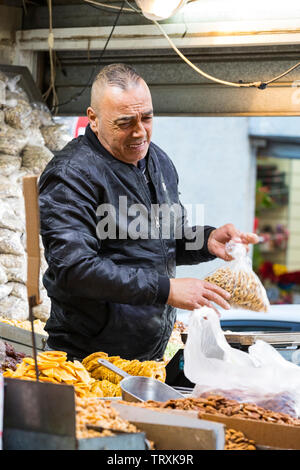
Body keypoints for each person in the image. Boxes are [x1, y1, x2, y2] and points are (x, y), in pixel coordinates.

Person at [39, 63, 258, 361]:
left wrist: (206, 240)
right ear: (93, 119)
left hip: (148, 355)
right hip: (87, 357)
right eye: (125, 122)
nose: (140, 132)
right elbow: (74, 269)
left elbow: (160, 241)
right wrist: (165, 289)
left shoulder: (157, 161)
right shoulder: (71, 175)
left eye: (147, 118)